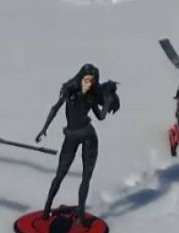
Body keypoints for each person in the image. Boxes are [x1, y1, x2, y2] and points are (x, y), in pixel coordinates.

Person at [35, 64, 120, 223]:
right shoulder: (69, 93)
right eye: (86, 80)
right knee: (60, 174)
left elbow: (100, 117)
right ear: (80, 78)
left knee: (86, 177)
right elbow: (55, 108)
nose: (89, 84)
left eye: (92, 81)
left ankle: (81, 215)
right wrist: (44, 128)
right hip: (71, 136)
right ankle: (46, 209)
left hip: (89, 136)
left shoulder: (91, 97)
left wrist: (107, 102)